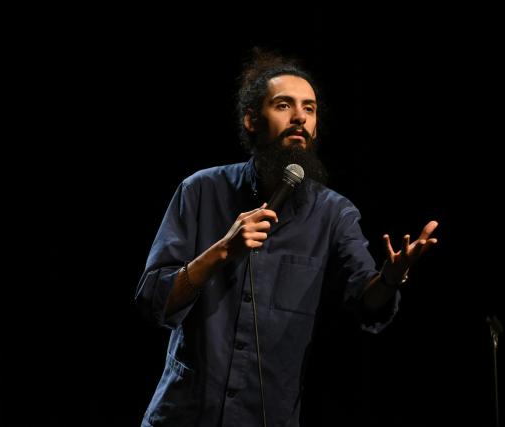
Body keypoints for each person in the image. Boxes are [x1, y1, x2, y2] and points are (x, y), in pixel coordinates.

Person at [134, 49, 438, 427]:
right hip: (184, 416)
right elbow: (153, 301)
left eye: (309, 109)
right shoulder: (200, 191)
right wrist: (222, 250)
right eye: (284, 105)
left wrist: (390, 279)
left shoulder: (334, 214)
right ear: (251, 120)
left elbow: (367, 303)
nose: (299, 117)